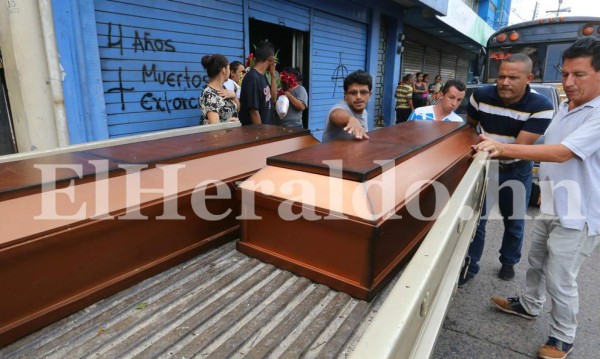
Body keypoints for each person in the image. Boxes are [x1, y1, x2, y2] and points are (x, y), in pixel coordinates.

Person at [473, 37, 600, 359]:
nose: (568, 82)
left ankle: (562, 337)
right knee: (537, 261)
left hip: (580, 212)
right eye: (565, 73)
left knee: (561, 277)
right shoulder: (568, 106)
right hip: (554, 203)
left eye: (579, 75)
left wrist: (503, 148)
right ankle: (529, 304)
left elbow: (561, 153)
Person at [460, 53, 554, 285]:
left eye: (513, 77)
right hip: (484, 167)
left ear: (529, 78)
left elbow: (521, 147)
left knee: (514, 220)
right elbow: (468, 129)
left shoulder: (541, 106)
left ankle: (508, 262)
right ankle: (469, 267)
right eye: (501, 76)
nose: (504, 82)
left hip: (517, 169)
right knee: (477, 220)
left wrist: (491, 145)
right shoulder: (480, 95)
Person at [322, 70, 372, 142]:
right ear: (345, 95)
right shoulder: (340, 107)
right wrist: (350, 119)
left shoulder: (364, 112)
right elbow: (335, 115)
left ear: (370, 95)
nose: (358, 97)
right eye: (353, 93)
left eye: (363, 92)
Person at [239, 39, 278, 125]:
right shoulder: (252, 78)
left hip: (266, 131)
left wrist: (273, 75)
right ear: (271, 59)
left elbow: (273, 100)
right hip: (257, 134)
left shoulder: (262, 76)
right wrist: (261, 136)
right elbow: (253, 112)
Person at [199, 54, 239, 125]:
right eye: (229, 68)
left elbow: (237, 109)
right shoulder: (209, 94)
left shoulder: (224, 89)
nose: (229, 71)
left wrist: (234, 96)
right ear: (224, 70)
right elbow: (215, 126)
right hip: (218, 135)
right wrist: (228, 123)